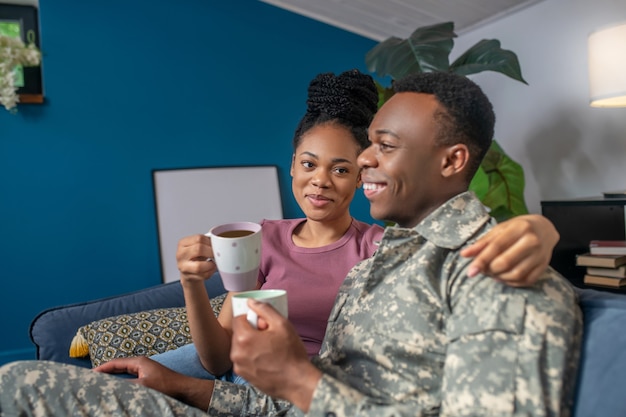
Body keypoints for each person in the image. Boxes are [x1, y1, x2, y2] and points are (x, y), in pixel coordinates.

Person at [0, 72, 576, 417]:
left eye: (383, 146)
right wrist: (186, 387)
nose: (365, 161)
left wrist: (295, 379)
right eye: (369, 144)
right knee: (20, 381)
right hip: (244, 400)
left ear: (452, 160)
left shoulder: (497, 271)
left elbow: (306, 389)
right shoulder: (388, 264)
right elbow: (282, 392)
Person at [150, 69, 559, 382]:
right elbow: (220, 358)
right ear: (292, 164)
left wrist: (542, 229)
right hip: (247, 369)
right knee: (113, 381)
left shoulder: (382, 250)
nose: (321, 181)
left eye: (342, 168)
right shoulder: (264, 238)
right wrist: (192, 285)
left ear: (360, 174)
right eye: (308, 164)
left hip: (300, 383)